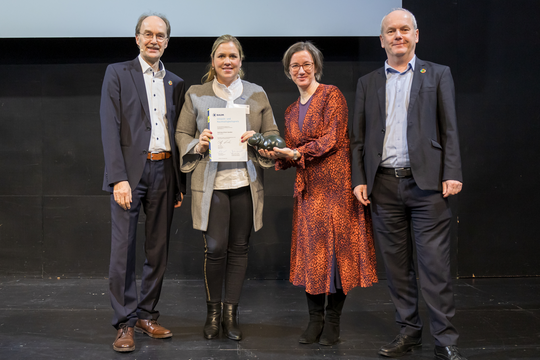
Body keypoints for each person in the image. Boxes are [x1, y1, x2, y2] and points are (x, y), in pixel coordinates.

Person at [350, 8, 466, 360]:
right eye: (391, 31)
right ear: (381, 39)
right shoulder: (368, 82)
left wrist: (453, 171)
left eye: (404, 29)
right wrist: (359, 179)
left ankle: (445, 340)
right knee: (397, 268)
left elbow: (449, 128)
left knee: (434, 267)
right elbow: (358, 139)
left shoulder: (438, 74)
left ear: (416, 35)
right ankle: (409, 332)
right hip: (383, 186)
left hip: (428, 186)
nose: (397, 35)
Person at [263, 41, 378, 346]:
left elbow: (332, 138)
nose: (301, 70)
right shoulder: (289, 112)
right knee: (311, 256)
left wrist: (294, 152)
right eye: (295, 66)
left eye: (306, 65)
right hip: (309, 191)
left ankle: (334, 321)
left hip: (337, 187)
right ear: (289, 72)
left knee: (338, 256)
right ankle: (315, 320)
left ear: (316, 67)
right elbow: (292, 155)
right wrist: (276, 154)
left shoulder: (331, 95)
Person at [175, 34, 279, 341]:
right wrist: (199, 142)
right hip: (213, 184)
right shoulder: (197, 94)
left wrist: (257, 139)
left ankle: (231, 314)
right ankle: (213, 313)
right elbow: (181, 132)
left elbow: (272, 133)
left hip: (245, 183)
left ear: (241, 60)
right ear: (213, 61)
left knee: (240, 249)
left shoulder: (257, 94)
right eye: (221, 56)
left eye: (233, 56)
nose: (227, 61)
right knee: (216, 248)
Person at [100, 13, 186, 352]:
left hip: (165, 171)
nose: (154, 40)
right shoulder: (117, 73)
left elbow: (177, 134)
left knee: (158, 249)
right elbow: (110, 128)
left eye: (160, 35)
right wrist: (118, 178)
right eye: (147, 34)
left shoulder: (175, 82)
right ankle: (124, 323)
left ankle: (148, 314)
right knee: (123, 251)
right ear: (137, 38)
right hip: (130, 176)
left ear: (167, 41)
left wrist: (178, 181)